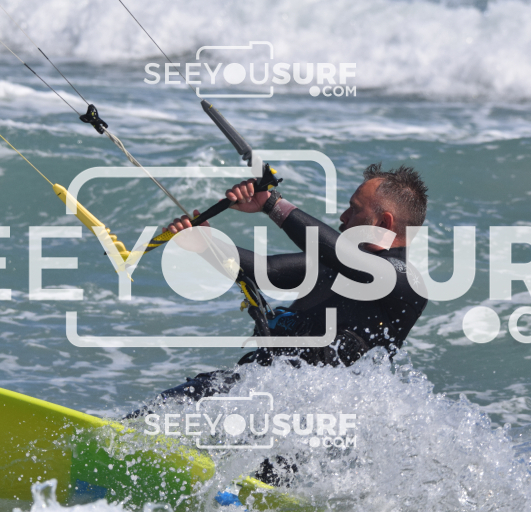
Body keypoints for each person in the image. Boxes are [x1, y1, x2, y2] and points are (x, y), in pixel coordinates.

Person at [147, 163, 429, 405]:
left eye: (354, 210)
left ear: (383, 223)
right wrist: (205, 244)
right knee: (168, 405)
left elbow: (341, 255)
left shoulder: (404, 281)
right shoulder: (333, 265)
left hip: (320, 414)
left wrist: (271, 204)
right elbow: (266, 271)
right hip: (262, 390)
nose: (343, 217)